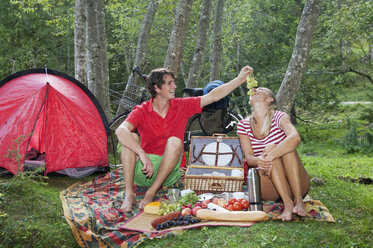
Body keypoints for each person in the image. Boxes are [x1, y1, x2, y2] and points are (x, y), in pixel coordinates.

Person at [116, 66, 254, 212]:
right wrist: (142, 154)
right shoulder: (141, 110)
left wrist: (239, 79)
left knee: (174, 141)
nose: (174, 86)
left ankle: (151, 192)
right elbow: (120, 131)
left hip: (168, 172)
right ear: (156, 88)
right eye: (169, 83)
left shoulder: (181, 105)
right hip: (145, 169)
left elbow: (212, 96)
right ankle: (129, 194)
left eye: (173, 82)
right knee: (129, 137)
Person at [237, 87, 310, 221]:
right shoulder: (243, 125)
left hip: (297, 183)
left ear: (270, 99)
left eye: (260, 89)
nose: (255, 89)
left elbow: (295, 138)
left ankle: (298, 200)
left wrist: (270, 155)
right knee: (270, 149)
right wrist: (262, 160)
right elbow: (248, 157)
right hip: (269, 185)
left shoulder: (280, 116)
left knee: (280, 148)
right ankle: (288, 204)